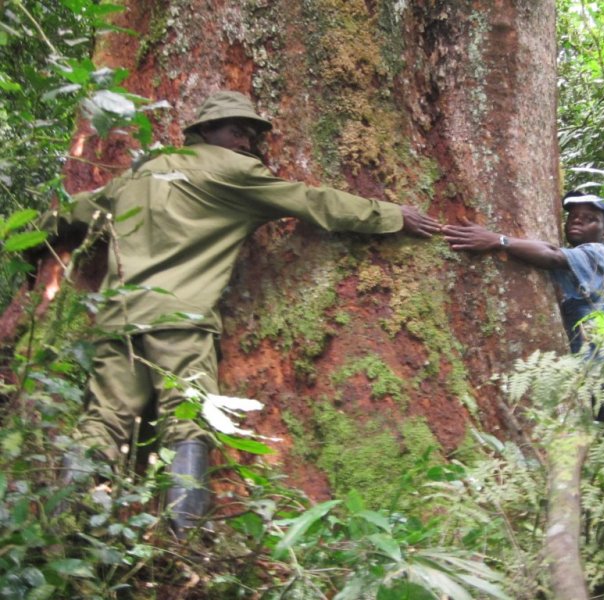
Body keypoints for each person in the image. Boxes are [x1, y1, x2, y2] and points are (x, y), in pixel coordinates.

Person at [41, 90, 441, 535]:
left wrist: (35, 237)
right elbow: (313, 202)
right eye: (237, 130)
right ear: (204, 132)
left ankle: (62, 536)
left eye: (251, 134)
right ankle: (184, 542)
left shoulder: (140, 173)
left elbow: (78, 211)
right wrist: (389, 214)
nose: (248, 141)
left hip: (117, 317)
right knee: (186, 420)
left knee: (104, 421)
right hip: (179, 321)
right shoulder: (234, 172)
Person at [442, 191, 604, 439]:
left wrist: (497, 240)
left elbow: (552, 255)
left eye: (589, 218)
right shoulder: (577, 269)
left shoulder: (599, 253)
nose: (577, 221)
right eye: (574, 216)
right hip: (600, 384)